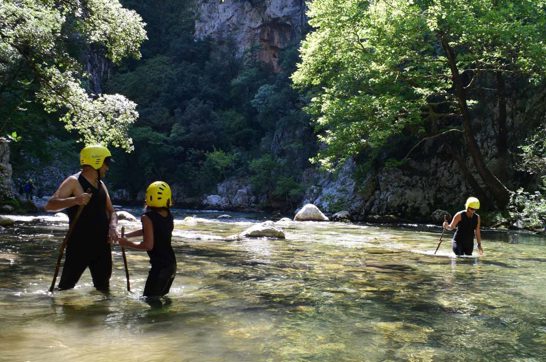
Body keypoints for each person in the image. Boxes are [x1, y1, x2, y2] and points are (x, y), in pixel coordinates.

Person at [44, 144, 118, 291]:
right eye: (106, 163)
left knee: (103, 288)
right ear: (96, 162)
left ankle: (101, 314)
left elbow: (112, 212)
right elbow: (50, 205)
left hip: (102, 244)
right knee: (66, 287)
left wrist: (113, 226)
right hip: (79, 244)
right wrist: (75, 200)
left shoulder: (101, 185)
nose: (107, 168)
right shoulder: (73, 181)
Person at [118, 181, 176, 299]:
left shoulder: (147, 217)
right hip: (171, 266)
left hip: (159, 268)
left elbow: (148, 245)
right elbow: (151, 231)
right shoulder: (168, 215)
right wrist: (127, 236)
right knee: (161, 299)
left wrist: (126, 243)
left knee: (150, 301)